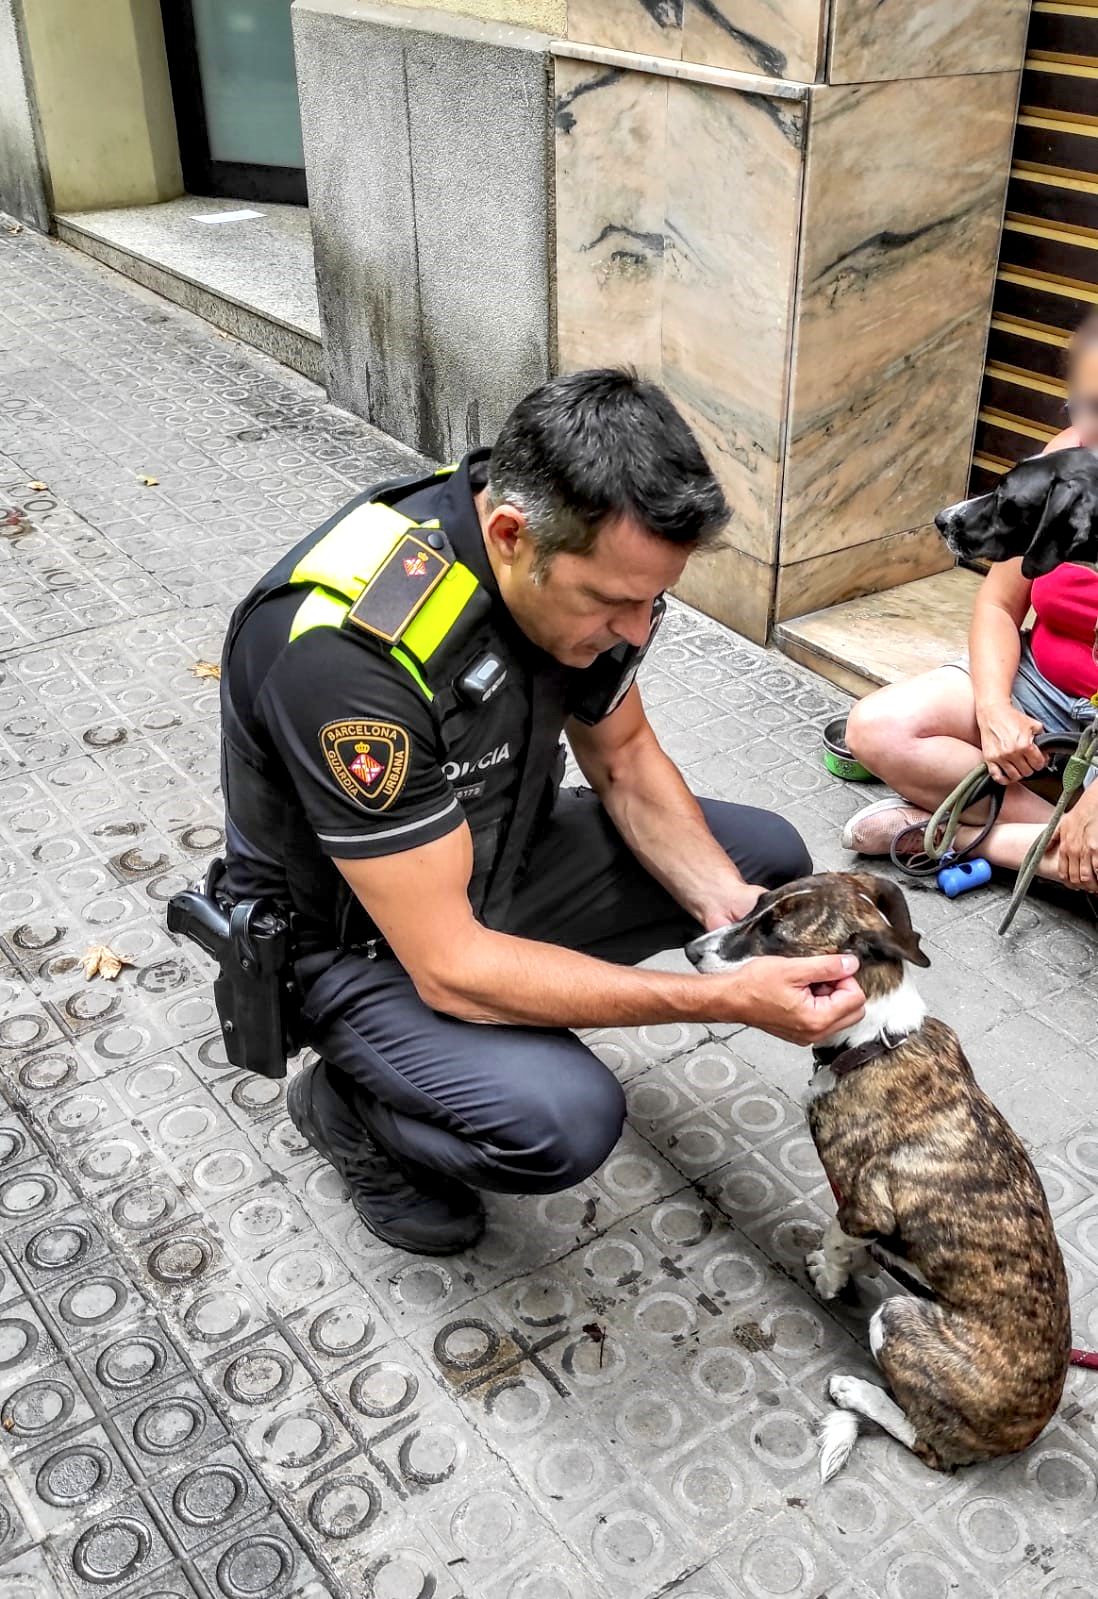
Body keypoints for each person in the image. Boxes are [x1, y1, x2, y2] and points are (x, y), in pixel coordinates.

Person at [219, 370, 865, 1256]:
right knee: (562, 1118)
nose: (638, 629)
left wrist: (731, 916)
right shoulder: (349, 658)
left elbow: (627, 760)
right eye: (614, 602)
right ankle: (350, 1109)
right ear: (512, 536)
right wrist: (719, 996)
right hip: (357, 938)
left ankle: (489, 1037)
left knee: (762, 863)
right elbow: (450, 963)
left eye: (653, 598)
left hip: (494, 852)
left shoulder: (570, 569)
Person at [844, 314, 1098, 895]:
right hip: (1047, 688)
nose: (1084, 428)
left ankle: (951, 833)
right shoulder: (1071, 458)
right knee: (878, 727)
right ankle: (1062, 859)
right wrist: (993, 707)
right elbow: (999, 606)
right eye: (1078, 407)